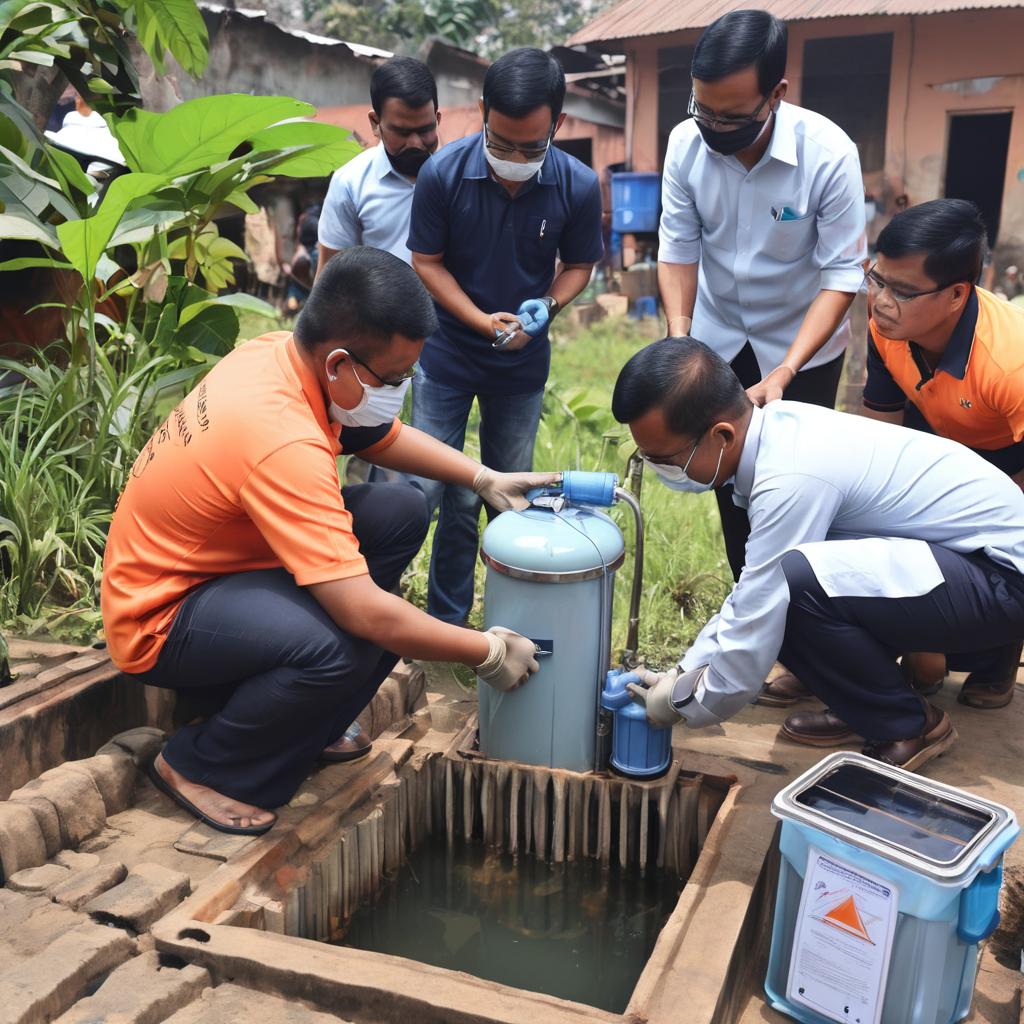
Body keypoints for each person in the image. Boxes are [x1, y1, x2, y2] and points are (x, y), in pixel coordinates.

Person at [101, 248, 554, 836]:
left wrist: (482, 476)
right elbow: (366, 613)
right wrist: (485, 651)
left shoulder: (281, 355)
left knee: (398, 509)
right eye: (392, 379)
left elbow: (380, 434)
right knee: (348, 645)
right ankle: (205, 764)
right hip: (160, 615)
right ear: (339, 362)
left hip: (219, 570)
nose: (398, 390)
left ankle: (294, 716)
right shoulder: (281, 439)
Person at [611, 337, 1024, 772]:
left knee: (793, 588)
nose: (662, 471)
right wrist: (684, 671)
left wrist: (686, 703)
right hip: (963, 561)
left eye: (666, 459)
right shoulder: (780, 430)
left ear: (721, 435)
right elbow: (751, 590)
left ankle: (907, 724)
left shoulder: (791, 475)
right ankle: (866, 705)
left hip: (1002, 578)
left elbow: (760, 610)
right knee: (787, 584)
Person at [657, 9, 866, 585]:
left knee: (802, 487)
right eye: (704, 110)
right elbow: (677, 248)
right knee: (728, 480)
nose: (715, 128)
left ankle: (809, 621)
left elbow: (842, 275)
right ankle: (751, 611)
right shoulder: (684, 145)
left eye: (733, 116)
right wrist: (681, 339)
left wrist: (788, 369)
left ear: (776, 93)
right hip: (719, 336)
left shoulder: (829, 154)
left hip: (804, 349)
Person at [406, 47, 603, 625]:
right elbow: (427, 260)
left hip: (520, 364)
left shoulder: (579, 185)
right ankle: (434, 620)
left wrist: (547, 305)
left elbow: (579, 266)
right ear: (483, 113)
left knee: (506, 494)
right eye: (501, 143)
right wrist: (478, 320)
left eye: (530, 148)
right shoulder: (443, 174)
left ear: (558, 126)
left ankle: (506, 619)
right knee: (431, 491)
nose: (513, 158)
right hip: (446, 355)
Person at [854, 198, 1024, 712]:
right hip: (936, 438)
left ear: (956, 295)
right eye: (877, 279)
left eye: (902, 291)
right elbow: (879, 440)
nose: (882, 300)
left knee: (994, 557)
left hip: (1007, 458)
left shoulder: (1009, 361)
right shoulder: (887, 325)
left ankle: (1000, 656)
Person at [318, 57, 441, 270]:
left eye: (425, 130)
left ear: (437, 119)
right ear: (375, 123)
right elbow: (330, 273)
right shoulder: (350, 183)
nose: (415, 142)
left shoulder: (461, 177)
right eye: (401, 132)